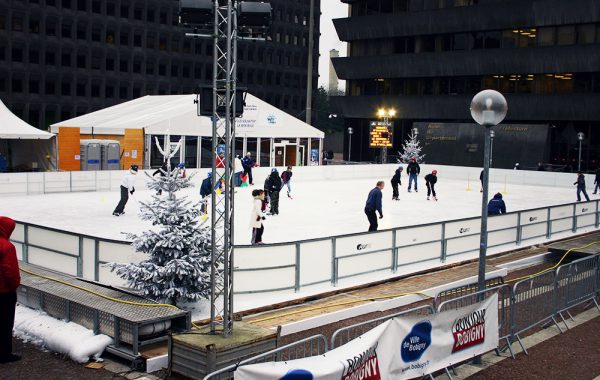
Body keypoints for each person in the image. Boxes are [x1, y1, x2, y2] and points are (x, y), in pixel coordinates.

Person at [0, 216, 21, 363]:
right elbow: (10, 272)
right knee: (5, 324)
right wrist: (14, 286)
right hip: (4, 293)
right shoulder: (6, 247)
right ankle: (4, 354)